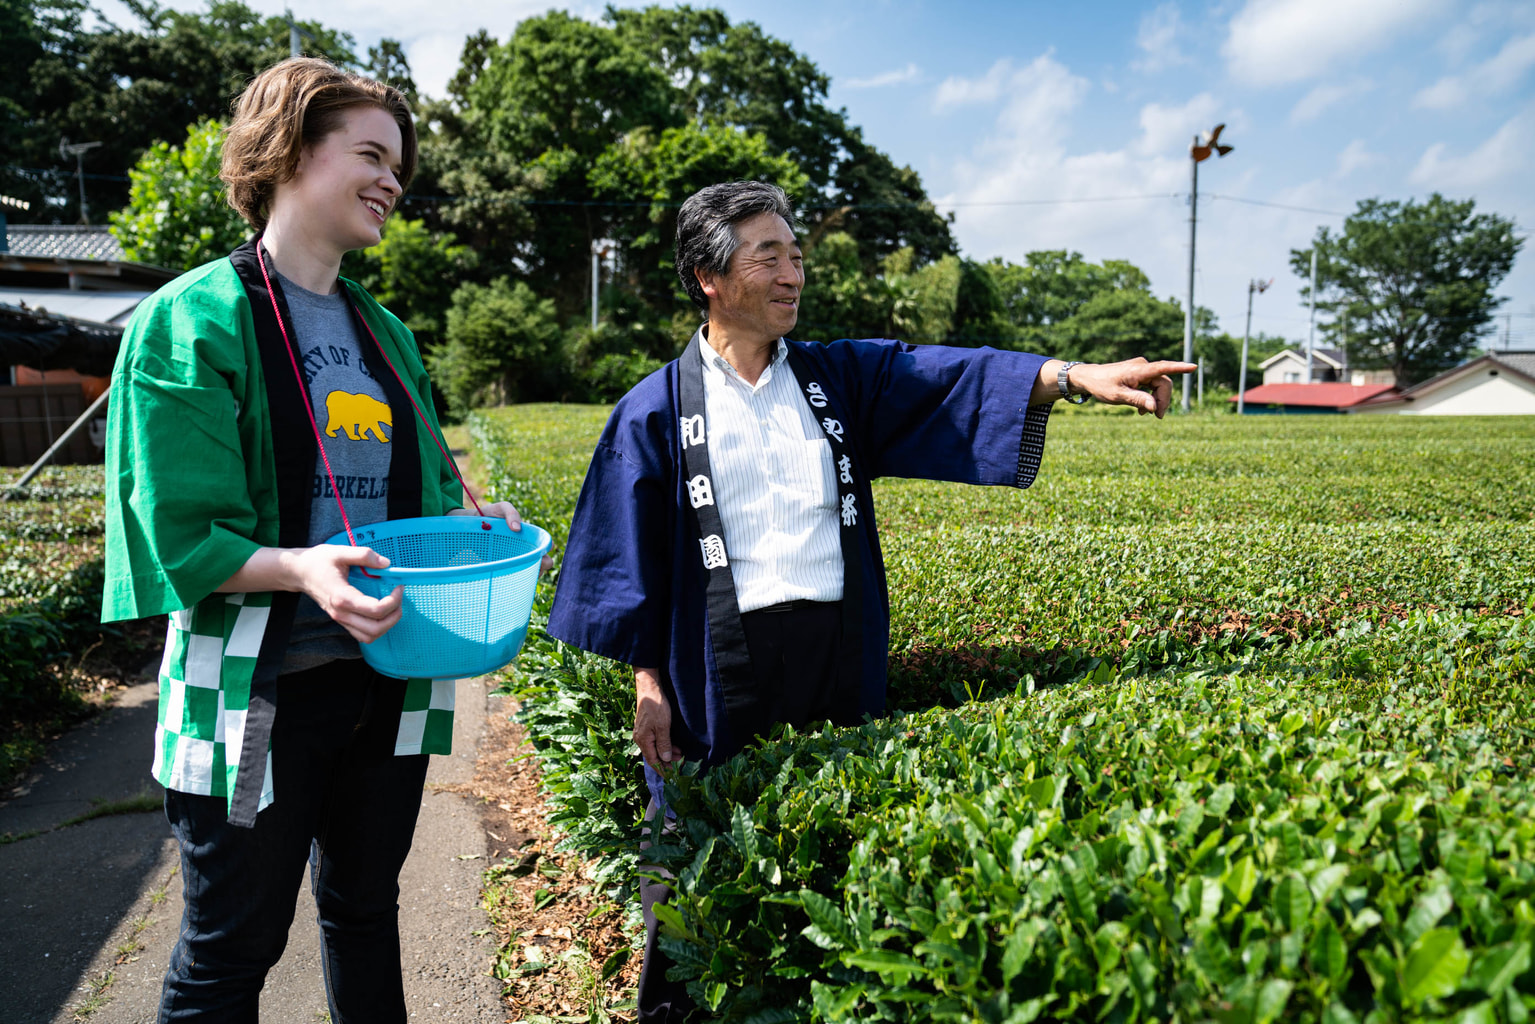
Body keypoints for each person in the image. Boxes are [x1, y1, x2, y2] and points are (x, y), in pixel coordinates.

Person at [545, 180, 1195, 1022]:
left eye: (796, 254)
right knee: (695, 868)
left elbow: (944, 375)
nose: (792, 274)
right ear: (708, 275)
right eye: (767, 256)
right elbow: (627, 558)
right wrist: (647, 684)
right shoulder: (655, 409)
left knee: (831, 861)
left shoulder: (836, 380)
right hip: (714, 663)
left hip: (835, 652)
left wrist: (1072, 377)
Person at [101, 57, 532, 1023]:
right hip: (254, 693)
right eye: (370, 155)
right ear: (290, 151)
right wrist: (301, 570)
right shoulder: (193, 319)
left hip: (384, 681)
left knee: (364, 908)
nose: (391, 182)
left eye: (399, 169)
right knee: (230, 948)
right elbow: (178, 530)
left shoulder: (384, 330)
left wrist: (472, 525)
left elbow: (413, 496)